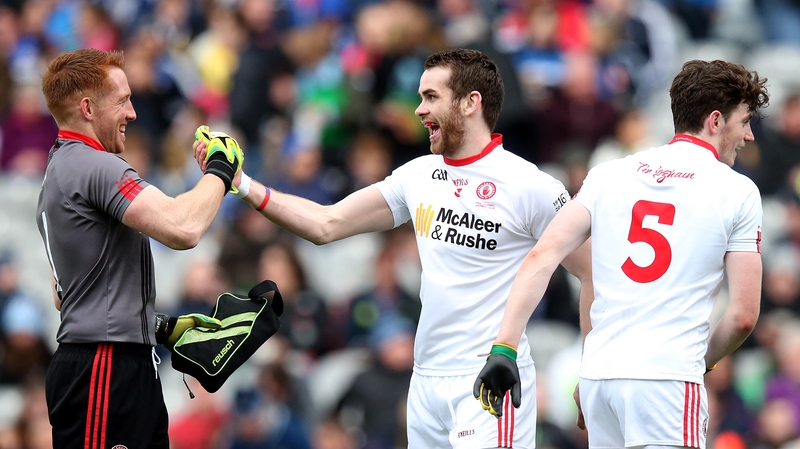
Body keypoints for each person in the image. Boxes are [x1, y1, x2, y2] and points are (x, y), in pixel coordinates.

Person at [196, 48, 593, 448]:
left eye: (431, 97)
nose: (418, 110)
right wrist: (242, 183)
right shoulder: (418, 176)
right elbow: (325, 223)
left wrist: (588, 369)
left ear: (471, 102)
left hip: (491, 376)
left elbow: (592, 272)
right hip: (425, 381)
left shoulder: (531, 186)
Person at [473, 59, 769, 449]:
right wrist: (703, 362)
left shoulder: (608, 173)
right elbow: (743, 317)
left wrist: (504, 346)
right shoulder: (738, 191)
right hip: (666, 380)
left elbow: (542, 255)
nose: (748, 135)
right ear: (715, 121)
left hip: (598, 381)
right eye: (744, 121)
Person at [35, 48, 242, 449]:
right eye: (123, 100)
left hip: (113, 362)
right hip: (104, 369)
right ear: (88, 108)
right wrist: (221, 168)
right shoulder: (94, 165)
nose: (132, 112)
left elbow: (67, 296)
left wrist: (155, 325)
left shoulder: (60, 169)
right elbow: (183, 228)